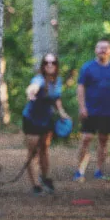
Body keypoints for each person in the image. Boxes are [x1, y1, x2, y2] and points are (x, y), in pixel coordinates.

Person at [72, 38, 110, 182]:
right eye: (100, 47)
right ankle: (79, 170)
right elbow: (80, 87)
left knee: (103, 140)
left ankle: (99, 171)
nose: (102, 50)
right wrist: (82, 107)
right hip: (90, 110)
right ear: (95, 50)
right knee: (86, 138)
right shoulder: (88, 67)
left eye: (105, 48)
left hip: (108, 111)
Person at [21, 53, 71, 196]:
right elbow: (33, 87)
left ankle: (44, 177)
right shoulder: (39, 79)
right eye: (47, 63)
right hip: (32, 119)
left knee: (44, 149)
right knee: (32, 153)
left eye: (53, 62)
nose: (50, 65)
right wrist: (30, 92)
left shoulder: (58, 81)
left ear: (56, 65)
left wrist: (62, 113)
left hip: (47, 119)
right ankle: (35, 185)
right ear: (43, 65)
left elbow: (56, 99)